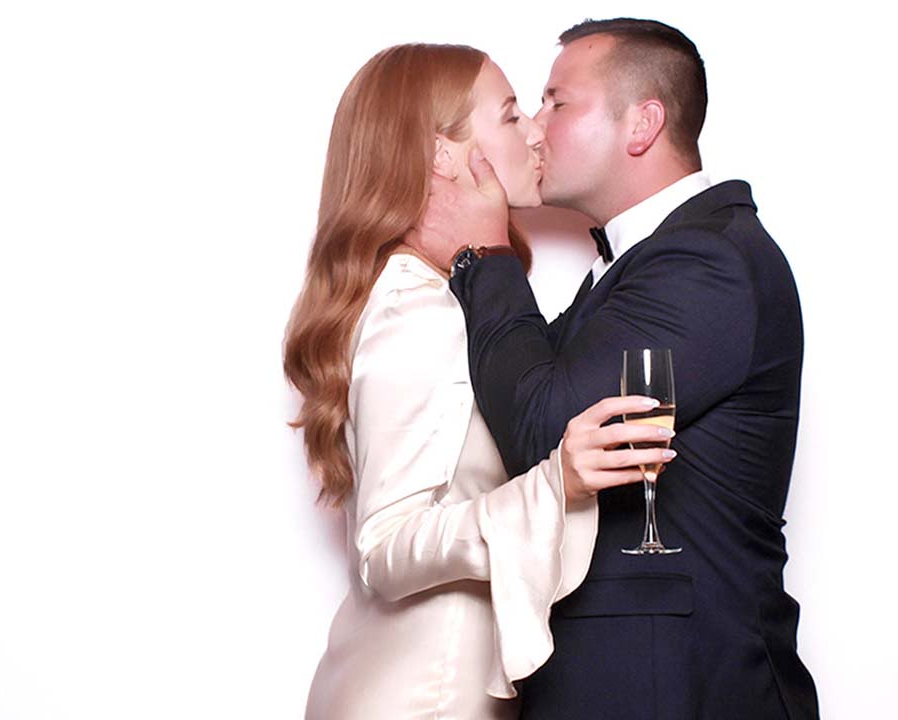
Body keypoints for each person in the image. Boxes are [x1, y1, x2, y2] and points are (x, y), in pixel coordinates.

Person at [430, 18, 822, 720]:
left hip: (683, 690)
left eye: (557, 102)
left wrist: (485, 251)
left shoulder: (708, 264)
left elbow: (543, 427)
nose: (535, 130)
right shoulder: (642, 263)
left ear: (642, 123)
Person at [282, 43, 677, 720]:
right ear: (444, 154)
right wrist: (557, 485)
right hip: (427, 699)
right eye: (510, 112)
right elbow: (386, 546)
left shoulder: (439, 295)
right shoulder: (417, 308)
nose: (533, 132)